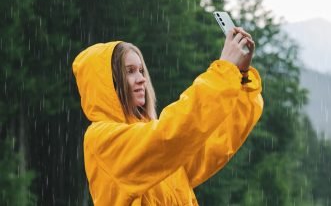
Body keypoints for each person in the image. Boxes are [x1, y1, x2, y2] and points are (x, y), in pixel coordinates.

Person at [72, 27, 264, 205]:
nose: (142, 79)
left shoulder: (158, 144)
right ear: (107, 84)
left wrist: (241, 77)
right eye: (129, 71)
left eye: (140, 70)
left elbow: (214, 145)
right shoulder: (101, 139)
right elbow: (171, 133)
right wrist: (224, 70)